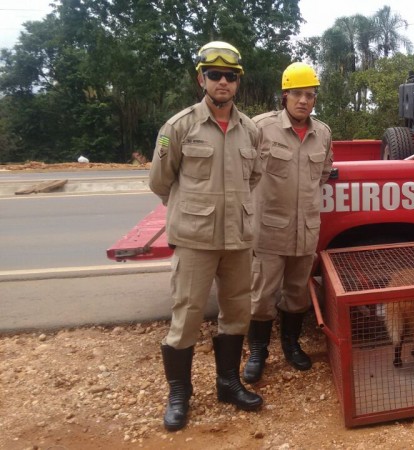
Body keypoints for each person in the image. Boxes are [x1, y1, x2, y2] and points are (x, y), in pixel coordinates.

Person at [149, 41, 263, 431]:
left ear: (238, 82)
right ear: (202, 78)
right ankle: (180, 393)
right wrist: (191, 210)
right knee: (187, 316)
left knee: (237, 312)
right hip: (196, 240)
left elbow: (254, 177)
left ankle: (228, 383)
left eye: (230, 76)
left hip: (238, 239)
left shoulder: (251, 130)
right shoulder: (179, 127)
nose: (223, 82)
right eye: (214, 74)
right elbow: (161, 182)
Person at [243, 62, 333, 383]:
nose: (304, 101)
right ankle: (258, 351)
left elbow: (322, 175)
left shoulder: (322, 133)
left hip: (305, 230)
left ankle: (291, 345)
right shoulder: (260, 128)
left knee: (296, 294)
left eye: (310, 95)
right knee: (262, 295)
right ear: (285, 96)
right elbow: (244, 172)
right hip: (268, 230)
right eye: (297, 94)